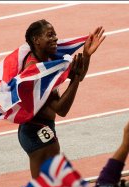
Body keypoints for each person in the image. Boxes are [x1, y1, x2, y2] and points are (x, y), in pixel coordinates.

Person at [18, 19, 105, 178]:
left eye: (55, 34)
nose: (56, 38)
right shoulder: (35, 71)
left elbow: (79, 74)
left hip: (43, 126)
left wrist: (86, 55)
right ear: (36, 40)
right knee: (46, 186)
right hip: (34, 129)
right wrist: (76, 78)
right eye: (50, 35)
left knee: (50, 184)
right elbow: (61, 109)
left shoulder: (48, 58)